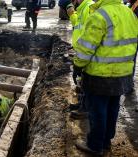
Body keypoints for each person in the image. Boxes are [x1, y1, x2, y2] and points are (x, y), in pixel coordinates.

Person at [72, 0, 138, 155]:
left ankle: (95, 145)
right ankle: (106, 141)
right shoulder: (129, 13)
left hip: (100, 74)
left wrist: (78, 65)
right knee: (112, 108)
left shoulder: (100, 15)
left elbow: (86, 48)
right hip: (123, 73)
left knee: (97, 110)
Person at [59, 0, 94, 119]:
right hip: (80, 49)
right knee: (83, 80)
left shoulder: (88, 8)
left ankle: (86, 108)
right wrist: (72, 14)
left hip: (85, 51)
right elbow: (77, 25)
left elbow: (89, 34)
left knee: (87, 81)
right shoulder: (82, 8)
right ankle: (82, 104)